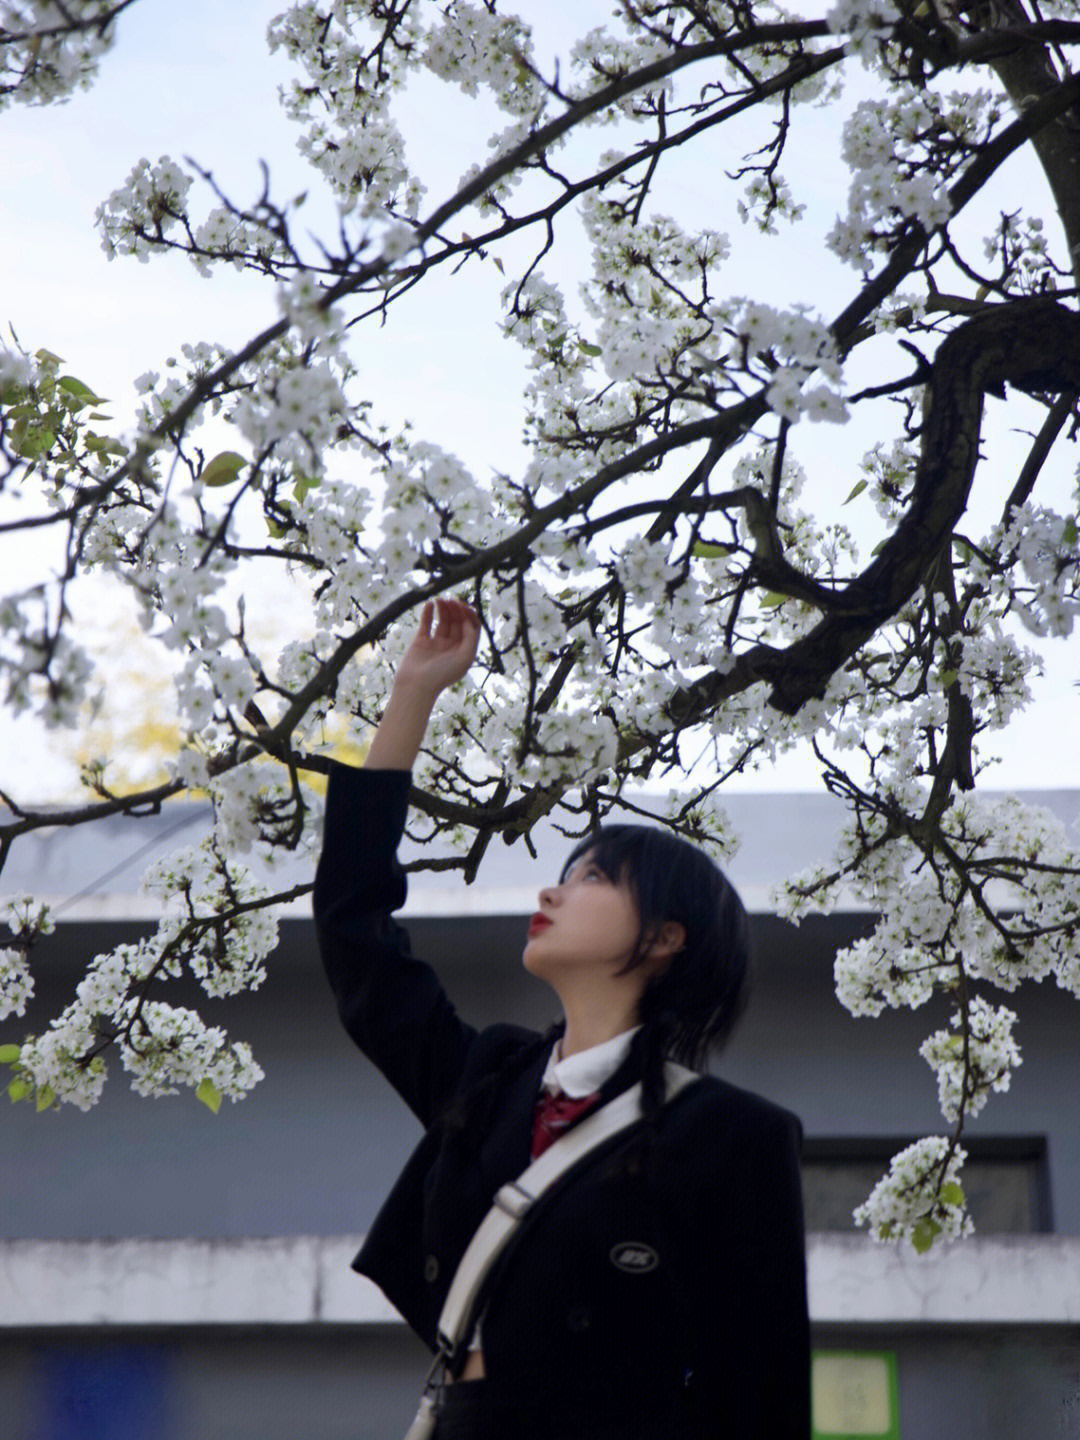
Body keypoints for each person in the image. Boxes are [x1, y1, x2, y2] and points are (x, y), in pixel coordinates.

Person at [313, 596, 811, 1440]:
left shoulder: (733, 1137)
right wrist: (412, 697)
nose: (551, 889)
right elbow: (355, 934)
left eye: (591, 878)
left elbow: (759, 1397)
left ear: (663, 937)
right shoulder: (488, 1083)